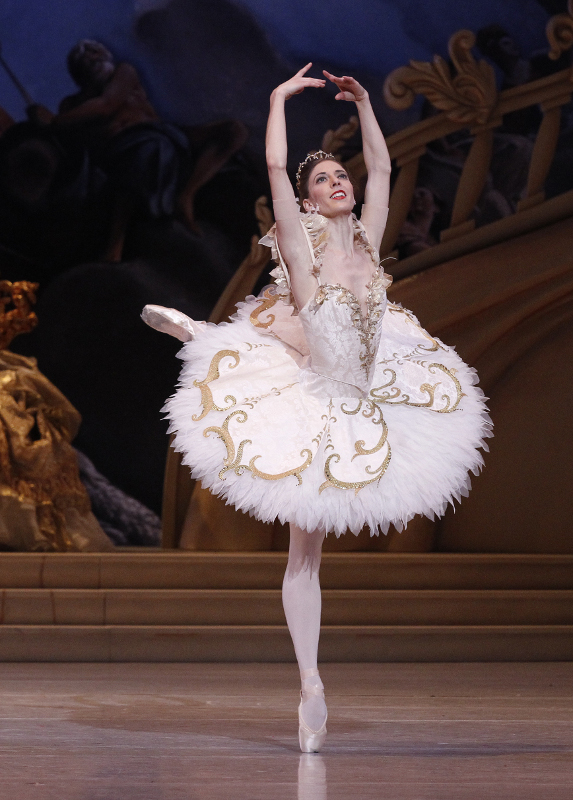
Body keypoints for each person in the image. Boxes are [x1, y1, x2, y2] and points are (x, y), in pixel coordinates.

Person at [142, 65, 492, 752]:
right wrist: (274, 99)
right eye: (323, 181)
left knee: (295, 349)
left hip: (368, 394)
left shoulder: (366, 240)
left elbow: (386, 169)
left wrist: (364, 106)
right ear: (304, 205)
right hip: (315, 405)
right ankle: (309, 682)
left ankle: (211, 336)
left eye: (340, 178)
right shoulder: (301, 252)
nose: (337, 184)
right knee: (303, 555)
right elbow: (274, 164)